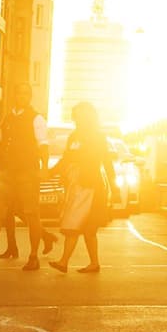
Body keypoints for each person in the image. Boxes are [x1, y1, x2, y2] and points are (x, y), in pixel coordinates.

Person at [0, 82, 50, 270]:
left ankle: (33, 256)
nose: (22, 96)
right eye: (19, 93)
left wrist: (44, 168)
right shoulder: (7, 119)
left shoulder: (36, 119)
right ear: (15, 95)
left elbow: (43, 146)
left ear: (29, 97)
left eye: (26, 94)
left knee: (31, 214)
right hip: (5, 174)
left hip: (27, 173)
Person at [50, 102, 117, 274]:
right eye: (76, 116)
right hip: (76, 185)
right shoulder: (74, 136)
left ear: (88, 117)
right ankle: (93, 263)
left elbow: (106, 162)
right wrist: (53, 172)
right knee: (86, 229)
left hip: (91, 186)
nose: (77, 119)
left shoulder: (97, 137)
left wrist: (114, 186)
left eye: (80, 116)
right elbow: (66, 158)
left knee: (77, 225)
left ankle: (65, 261)